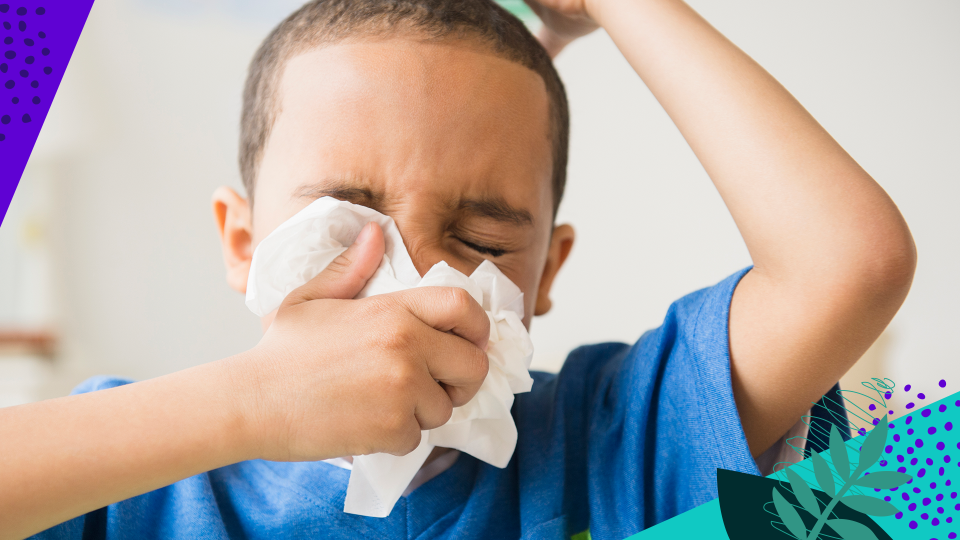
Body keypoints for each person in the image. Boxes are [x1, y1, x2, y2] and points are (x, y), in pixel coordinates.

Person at [2, 0, 916, 538]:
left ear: (547, 270)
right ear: (242, 241)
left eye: (482, 240)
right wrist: (250, 404)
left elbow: (852, 262)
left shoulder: (611, 441)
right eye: (343, 221)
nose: (417, 277)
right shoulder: (133, 477)